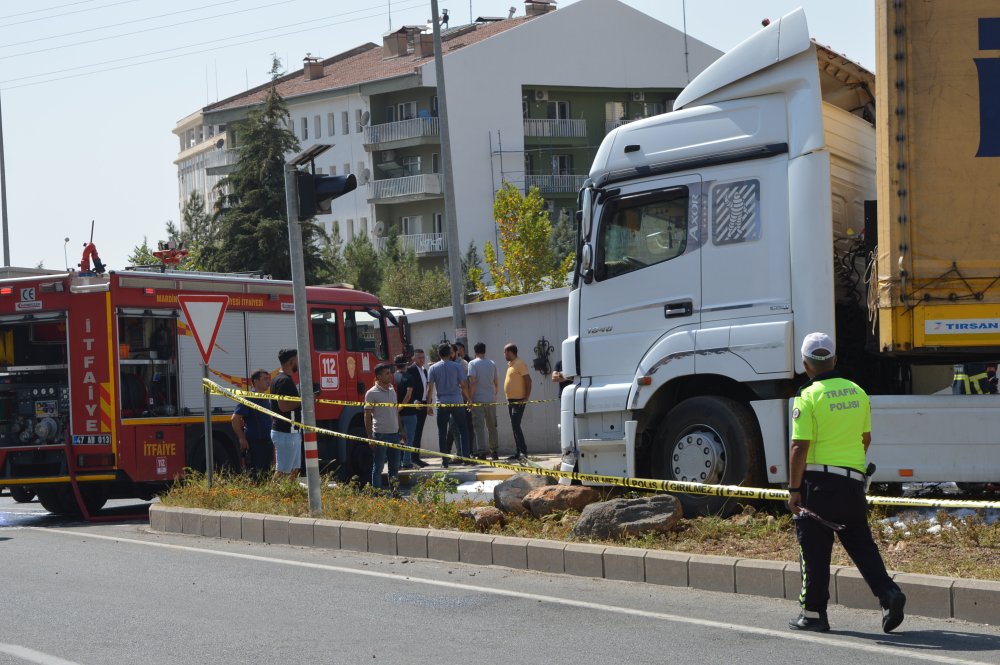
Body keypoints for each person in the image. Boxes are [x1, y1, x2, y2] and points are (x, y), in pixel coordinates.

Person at [787, 332, 906, 633]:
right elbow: (865, 439)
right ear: (835, 360)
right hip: (852, 484)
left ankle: (813, 614)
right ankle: (889, 593)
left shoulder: (807, 396)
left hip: (817, 485)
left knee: (813, 548)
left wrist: (794, 489)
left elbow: (800, 447)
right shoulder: (858, 392)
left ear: (805, 365)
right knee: (861, 544)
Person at [426, 342, 470, 468]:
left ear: (439, 354)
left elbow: (430, 388)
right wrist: (469, 399)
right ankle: (466, 458)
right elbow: (463, 384)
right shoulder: (457, 366)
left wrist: (429, 405)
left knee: (442, 432)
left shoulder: (433, 368)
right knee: (463, 430)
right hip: (457, 401)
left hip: (442, 403)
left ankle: (445, 461)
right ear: (450, 354)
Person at [365, 363, 405, 490]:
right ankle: (377, 495)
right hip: (380, 434)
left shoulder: (392, 390)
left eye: (390, 373)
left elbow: (395, 411)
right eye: (387, 373)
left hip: (395, 434)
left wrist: (401, 430)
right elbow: (366, 416)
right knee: (378, 467)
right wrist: (370, 437)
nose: (390, 376)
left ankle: (395, 493)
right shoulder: (371, 393)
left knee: (394, 467)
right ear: (378, 376)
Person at [231, 369, 274, 477]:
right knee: (255, 476)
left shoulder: (266, 398)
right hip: (255, 445)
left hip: (267, 443)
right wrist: (242, 438)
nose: (268, 381)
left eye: (268, 379)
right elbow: (235, 419)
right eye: (265, 379)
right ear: (255, 382)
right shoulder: (249, 398)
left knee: (266, 475)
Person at [270, 349, 302, 480]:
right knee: (282, 471)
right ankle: (272, 498)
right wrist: (303, 402)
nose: (298, 363)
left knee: (294, 470)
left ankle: (288, 497)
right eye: (297, 360)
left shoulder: (284, 379)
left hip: (292, 431)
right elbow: (283, 406)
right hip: (285, 432)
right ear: (291, 361)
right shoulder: (283, 381)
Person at [468, 342, 499, 460]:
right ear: (485, 350)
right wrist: (494, 394)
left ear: (475, 351)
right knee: (492, 426)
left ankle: (482, 452)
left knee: (479, 427)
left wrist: (470, 399)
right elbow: (496, 381)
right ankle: (494, 451)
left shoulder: (472, 363)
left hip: (478, 399)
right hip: (490, 399)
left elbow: (473, 382)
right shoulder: (492, 363)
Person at [503, 342, 531, 460]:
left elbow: (528, 381)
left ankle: (523, 452)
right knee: (514, 425)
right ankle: (518, 452)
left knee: (516, 425)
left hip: (519, 400)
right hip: (511, 400)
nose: (504, 354)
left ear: (510, 352)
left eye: (505, 352)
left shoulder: (520, 363)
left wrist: (526, 398)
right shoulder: (511, 364)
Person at [394, 354, 419, 470]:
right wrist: (402, 406)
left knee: (397, 439)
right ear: (406, 364)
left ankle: (397, 462)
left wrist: (397, 409)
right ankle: (407, 462)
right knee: (409, 439)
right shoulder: (409, 377)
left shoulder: (392, 377)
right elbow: (408, 395)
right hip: (409, 412)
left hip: (395, 414)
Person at [406, 349, 430, 467]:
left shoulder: (424, 371)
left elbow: (425, 387)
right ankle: (411, 458)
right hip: (414, 405)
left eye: (423, 357)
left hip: (424, 403)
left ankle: (416, 457)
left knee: (419, 431)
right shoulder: (410, 370)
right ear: (414, 359)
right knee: (413, 433)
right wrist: (414, 400)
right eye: (419, 358)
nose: (422, 360)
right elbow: (408, 388)